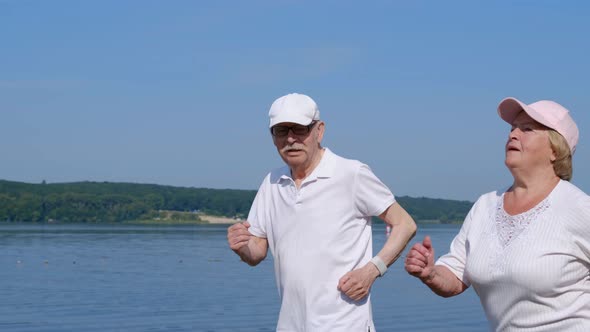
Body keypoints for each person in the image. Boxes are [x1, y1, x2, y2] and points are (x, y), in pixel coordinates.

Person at [227, 93, 417, 331]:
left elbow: (405, 224)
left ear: (319, 130)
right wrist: (242, 246)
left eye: (300, 129)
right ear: (272, 137)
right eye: (281, 131)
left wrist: (372, 270)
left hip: (346, 324)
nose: (291, 139)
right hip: (290, 325)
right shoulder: (272, 182)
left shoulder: (351, 173)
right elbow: (256, 252)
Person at [405, 97, 590, 331]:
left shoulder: (580, 209)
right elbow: (454, 277)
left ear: (555, 149)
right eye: (512, 128)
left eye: (527, 129)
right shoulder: (485, 206)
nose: (513, 135)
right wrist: (430, 273)